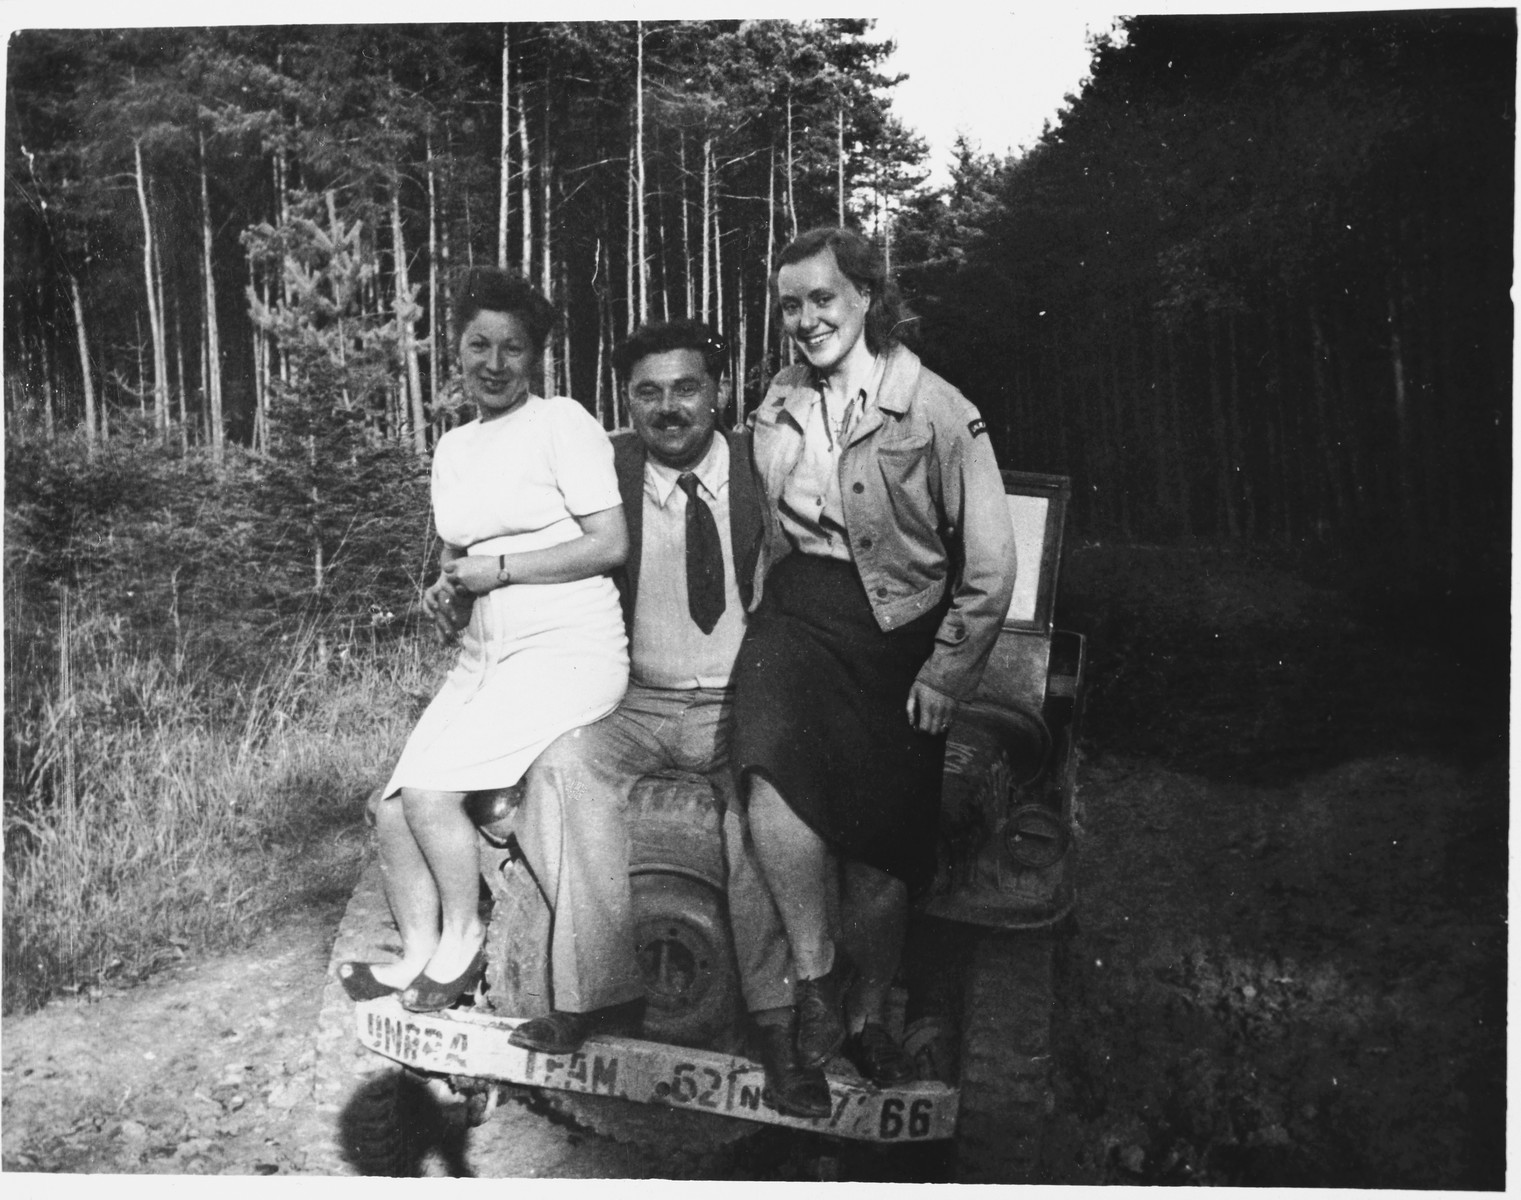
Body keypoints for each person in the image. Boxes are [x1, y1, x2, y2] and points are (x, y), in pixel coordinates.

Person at [505, 320, 825, 1117]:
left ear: (719, 392)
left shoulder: (764, 464)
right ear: (628, 403)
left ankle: (778, 1029)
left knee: (765, 815)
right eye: (648, 392)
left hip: (738, 701)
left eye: (686, 388)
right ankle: (594, 994)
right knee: (559, 769)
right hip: (633, 701)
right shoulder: (605, 470)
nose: (668, 408)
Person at [734, 227, 1017, 1085]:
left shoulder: (935, 407)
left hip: (899, 635)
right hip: (797, 617)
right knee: (769, 774)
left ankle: (865, 1020)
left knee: (884, 856)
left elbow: (992, 564)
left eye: (823, 298)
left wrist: (945, 672)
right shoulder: (776, 401)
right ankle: (818, 979)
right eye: (791, 304)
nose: (806, 319)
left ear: (865, 296)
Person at [339, 268, 629, 1013]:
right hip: (485, 655)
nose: (494, 365)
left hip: (568, 649)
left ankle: (463, 947)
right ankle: (417, 955)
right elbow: (455, 563)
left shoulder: (562, 422)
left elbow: (607, 544)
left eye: (513, 348)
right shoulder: (452, 447)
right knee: (394, 805)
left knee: (435, 794)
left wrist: (494, 569)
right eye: (478, 345)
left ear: (535, 358)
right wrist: (449, 594)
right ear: (457, 351)